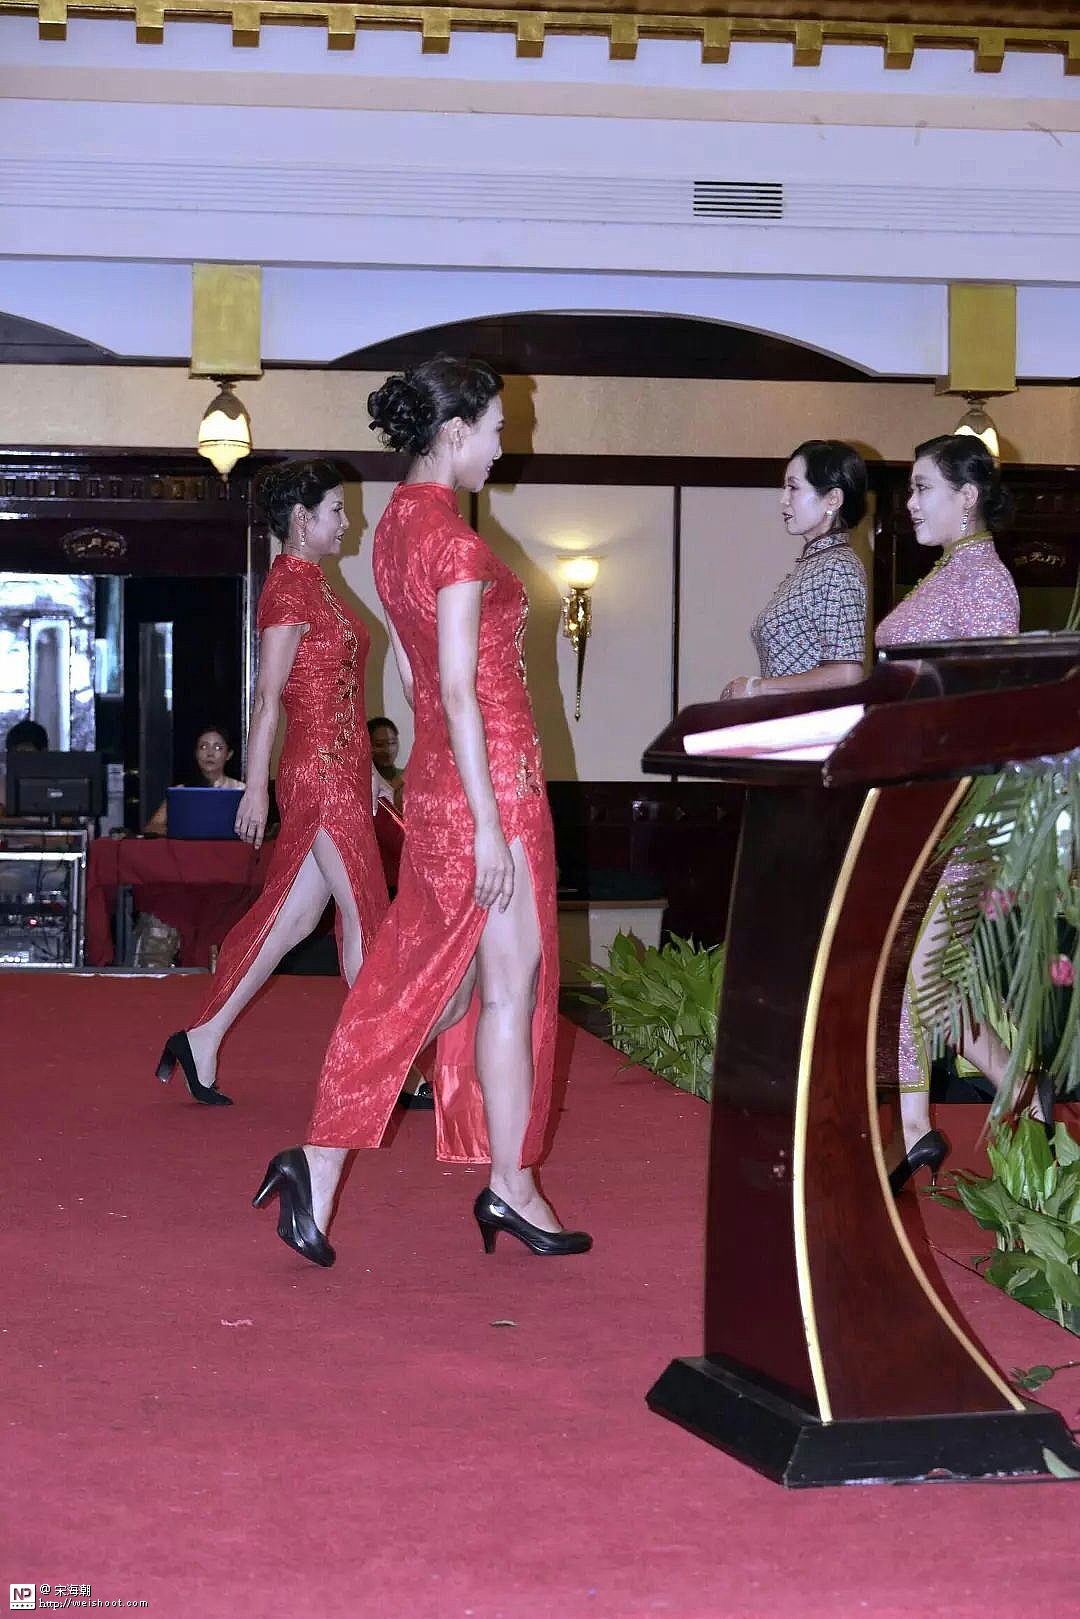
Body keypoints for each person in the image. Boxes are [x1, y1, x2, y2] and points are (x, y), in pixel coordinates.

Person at [252, 356, 592, 1267]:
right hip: (493, 785)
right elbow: (455, 686)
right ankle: (505, 1183)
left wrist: (447, 785)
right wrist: (490, 823)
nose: (503, 447)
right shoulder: (454, 542)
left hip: (445, 778)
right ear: (455, 432)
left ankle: (331, 1163)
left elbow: (411, 677)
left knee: (432, 985)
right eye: (496, 430)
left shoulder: (396, 528)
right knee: (500, 986)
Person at [154, 460, 389, 1105]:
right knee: (365, 912)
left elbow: (342, 696)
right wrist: (254, 788)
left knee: (293, 918)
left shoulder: (318, 585)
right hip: (320, 777)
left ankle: (201, 1039)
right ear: (301, 520)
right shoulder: (288, 589)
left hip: (342, 771)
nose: (348, 521)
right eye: (337, 510)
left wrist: (370, 768)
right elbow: (268, 699)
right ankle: (383, 1067)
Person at [876, 434, 1024, 1191]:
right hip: (922, 804)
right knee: (931, 983)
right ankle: (1002, 1103)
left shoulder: (988, 582)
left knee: (922, 975)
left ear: (966, 496)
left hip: (964, 808)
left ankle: (930, 1124)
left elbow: (988, 711)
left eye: (921, 487)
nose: (910, 502)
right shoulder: (950, 571)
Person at [721, 440, 868, 700]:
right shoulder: (817, 563)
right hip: (790, 716)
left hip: (810, 720)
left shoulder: (838, 567)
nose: (784, 499)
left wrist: (757, 688)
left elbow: (847, 673)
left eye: (793, 487)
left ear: (833, 499)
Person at [142, 725, 244, 838]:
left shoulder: (242, 790)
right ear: (196, 753)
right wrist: (183, 831)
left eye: (217, 748)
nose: (210, 753)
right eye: (203, 747)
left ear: (229, 754)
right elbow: (152, 826)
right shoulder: (181, 792)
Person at [368, 715, 406, 813]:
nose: (387, 750)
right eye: (379, 745)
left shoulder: (408, 778)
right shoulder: (365, 783)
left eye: (392, 743)